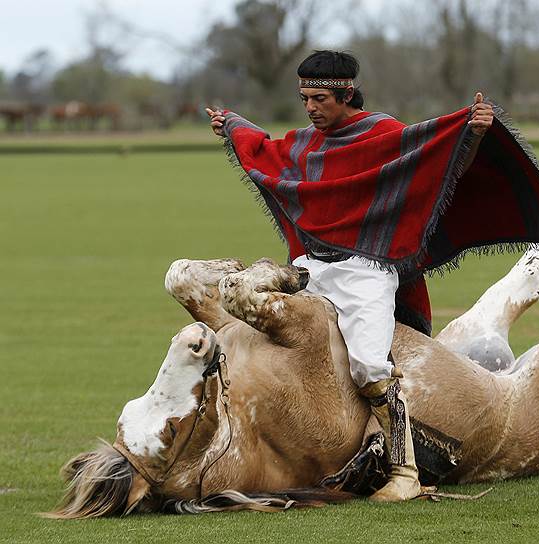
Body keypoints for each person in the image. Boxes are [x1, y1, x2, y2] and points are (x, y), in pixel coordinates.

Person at [206, 50, 495, 502]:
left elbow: (443, 166)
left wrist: (471, 132)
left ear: (345, 93)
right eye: (304, 99)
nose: (311, 108)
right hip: (310, 267)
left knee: (368, 367)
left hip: (366, 271)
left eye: (319, 98)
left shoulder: (385, 134)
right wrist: (233, 125)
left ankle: (405, 472)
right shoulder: (307, 143)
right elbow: (267, 150)